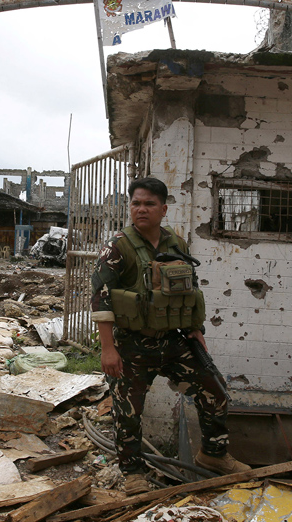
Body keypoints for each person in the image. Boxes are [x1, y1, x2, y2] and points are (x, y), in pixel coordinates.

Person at [91, 176, 250, 495]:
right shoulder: (118, 247)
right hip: (132, 345)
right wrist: (108, 349)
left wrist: (195, 330)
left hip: (175, 342)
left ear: (163, 209)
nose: (141, 209)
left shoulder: (176, 244)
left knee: (215, 392)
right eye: (136, 203)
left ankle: (213, 454)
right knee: (128, 411)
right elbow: (101, 298)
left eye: (149, 203)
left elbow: (188, 290)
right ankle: (133, 472)